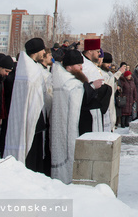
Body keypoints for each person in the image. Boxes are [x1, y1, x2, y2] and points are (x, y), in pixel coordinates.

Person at [50, 49, 112, 183]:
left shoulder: (71, 77)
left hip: (77, 118)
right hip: (68, 124)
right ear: (70, 67)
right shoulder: (66, 79)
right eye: (78, 65)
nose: (81, 67)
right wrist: (92, 87)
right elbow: (75, 93)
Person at [4, 38, 53, 174]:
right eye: (42, 49)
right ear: (36, 51)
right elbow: (30, 97)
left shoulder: (32, 67)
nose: (44, 52)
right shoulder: (28, 70)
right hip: (31, 116)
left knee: (36, 150)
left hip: (37, 116)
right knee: (31, 151)